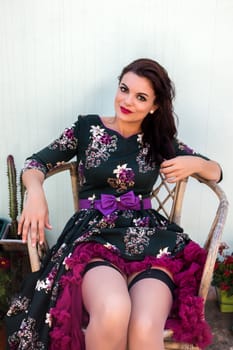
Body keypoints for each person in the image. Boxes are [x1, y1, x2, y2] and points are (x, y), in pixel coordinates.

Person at [5, 58, 222, 350]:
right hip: (95, 236)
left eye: (141, 97)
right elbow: (35, 163)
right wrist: (35, 193)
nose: (127, 101)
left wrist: (194, 162)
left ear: (154, 106)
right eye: (124, 89)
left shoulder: (159, 139)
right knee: (113, 310)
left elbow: (216, 171)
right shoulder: (87, 129)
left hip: (151, 240)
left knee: (145, 325)